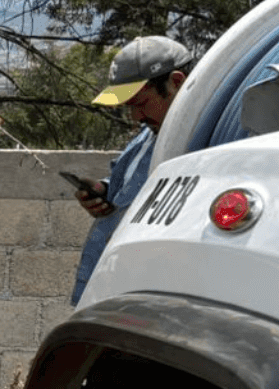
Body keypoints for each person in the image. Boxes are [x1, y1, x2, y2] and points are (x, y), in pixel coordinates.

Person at [71, 35, 191, 304]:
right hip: (112, 287)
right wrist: (103, 190)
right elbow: (128, 183)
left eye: (141, 104)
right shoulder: (152, 131)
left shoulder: (200, 142)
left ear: (176, 82)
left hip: (144, 294)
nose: (136, 117)